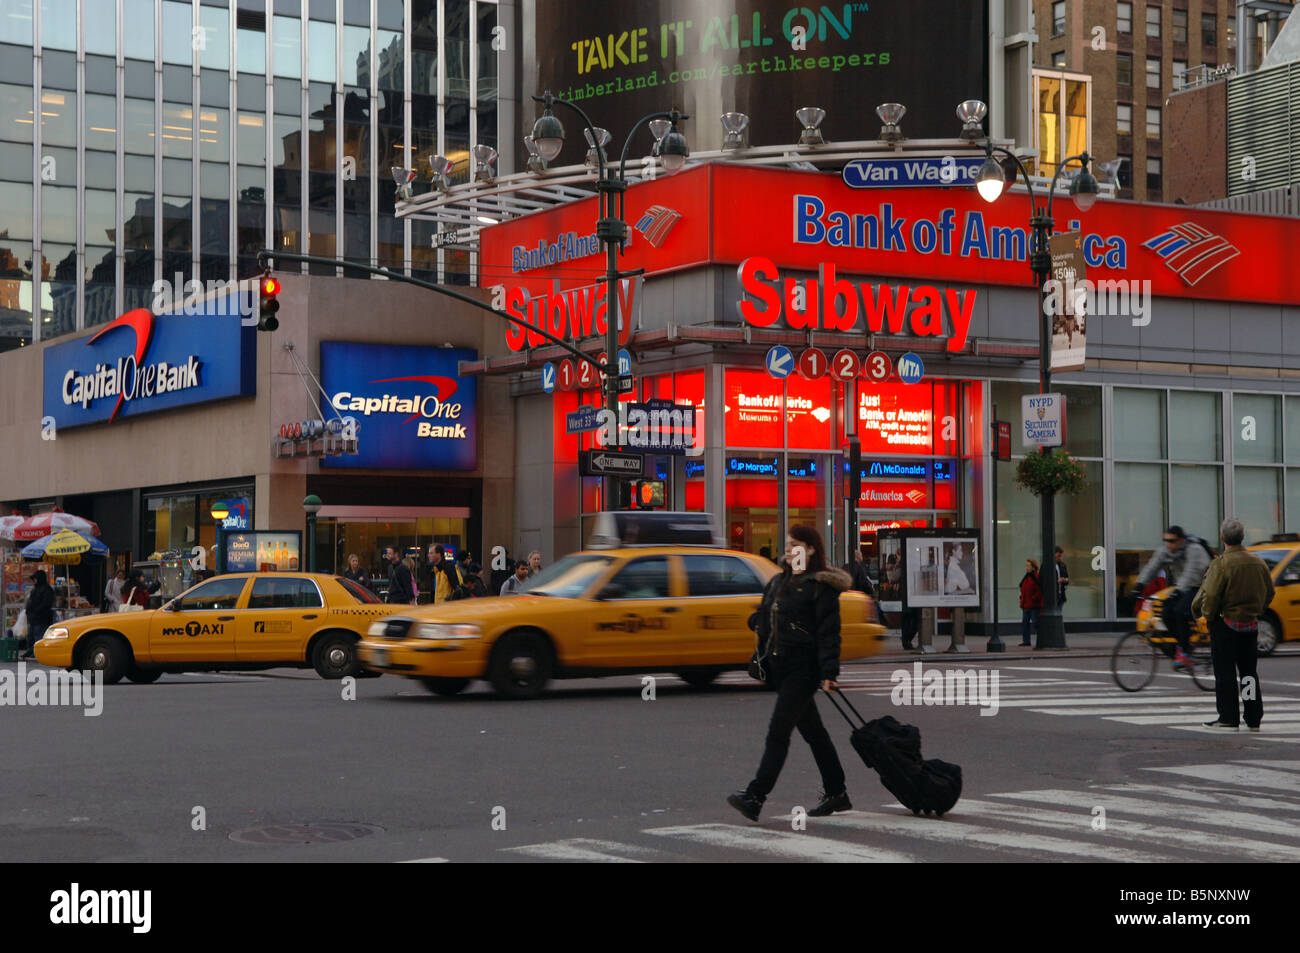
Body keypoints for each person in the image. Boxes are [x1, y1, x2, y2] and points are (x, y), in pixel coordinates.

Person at [728, 525, 852, 823]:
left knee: (778, 733)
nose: (788, 548)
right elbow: (766, 615)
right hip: (780, 669)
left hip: (803, 670)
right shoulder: (778, 580)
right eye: (787, 543)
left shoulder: (820, 587)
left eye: (795, 544)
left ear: (810, 549)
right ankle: (837, 792)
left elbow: (828, 633)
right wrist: (757, 620)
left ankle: (755, 796)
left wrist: (829, 672)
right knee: (815, 734)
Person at [1191, 518, 1273, 731]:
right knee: (1248, 672)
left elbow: (1210, 594)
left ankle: (1228, 717)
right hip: (1251, 625)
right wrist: (1258, 610)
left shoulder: (1221, 564)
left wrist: (1208, 617)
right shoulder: (1258, 562)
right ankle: (1253, 716)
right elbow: (1269, 592)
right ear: (1243, 537)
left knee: (1225, 672)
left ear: (1222, 538)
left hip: (1225, 624)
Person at [1130, 525, 1212, 670]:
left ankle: (1186, 651)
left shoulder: (1194, 550)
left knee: (1181, 611)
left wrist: (1178, 591)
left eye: (1172, 541)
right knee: (1165, 611)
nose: (1168, 543)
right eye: (1165, 540)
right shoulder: (1166, 550)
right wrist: (1139, 586)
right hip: (1183, 586)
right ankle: (1180, 647)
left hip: (1202, 585)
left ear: (1180, 540)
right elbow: (1152, 567)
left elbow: (1191, 572)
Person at [23, 569, 55, 659]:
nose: (34, 581)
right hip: (33, 619)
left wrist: (35, 611)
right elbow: (31, 602)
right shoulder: (35, 589)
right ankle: (31, 652)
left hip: (41, 618)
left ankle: (38, 653)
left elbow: (46, 604)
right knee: (31, 637)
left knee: (39, 637)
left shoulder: (47, 590)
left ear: (39, 579)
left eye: (35, 579)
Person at [1019, 559, 1043, 648]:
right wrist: (1022, 597)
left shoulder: (1036, 576)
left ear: (1033, 567)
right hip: (1025, 604)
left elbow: (1040, 590)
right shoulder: (1027, 577)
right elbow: (1023, 588)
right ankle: (1026, 641)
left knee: (1035, 623)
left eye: (1028, 565)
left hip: (1034, 605)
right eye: (1026, 565)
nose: (1027, 567)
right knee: (1025, 623)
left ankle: (1041, 640)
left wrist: (1034, 598)